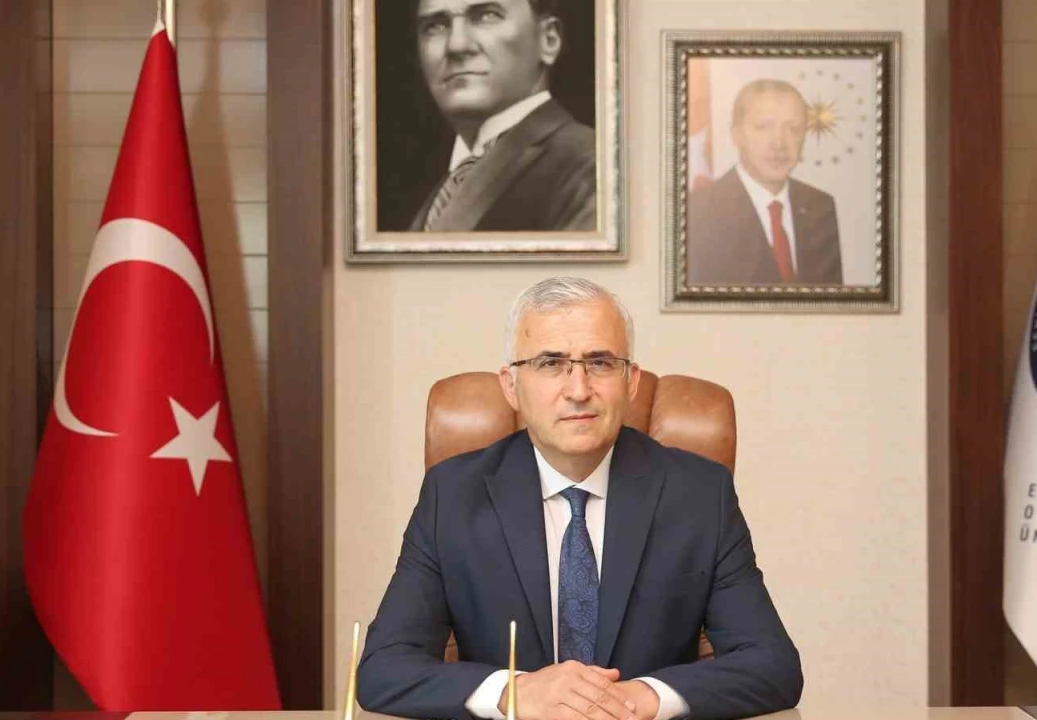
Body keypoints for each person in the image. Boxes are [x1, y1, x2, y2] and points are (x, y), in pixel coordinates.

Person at [358, 277, 802, 720]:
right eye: (551, 363)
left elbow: (773, 666)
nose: (578, 390)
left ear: (630, 381)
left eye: (601, 363)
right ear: (511, 385)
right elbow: (383, 668)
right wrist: (515, 692)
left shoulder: (700, 494)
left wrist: (641, 697)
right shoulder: (452, 495)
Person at [405, 0, 596, 233]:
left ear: (549, 40)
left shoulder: (593, 167)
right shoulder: (435, 187)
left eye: (487, 15)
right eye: (435, 26)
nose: (456, 45)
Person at [687, 79, 843, 285]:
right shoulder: (699, 212)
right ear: (737, 135)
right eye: (764, 127)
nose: (779, 143)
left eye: (793, 128)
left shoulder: (820, 206)